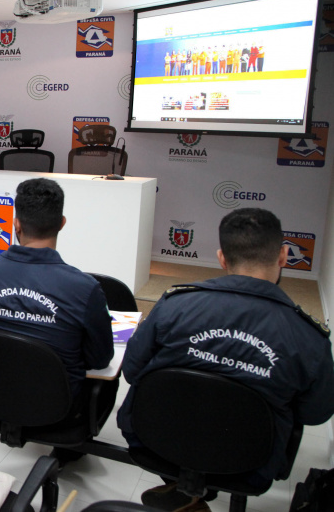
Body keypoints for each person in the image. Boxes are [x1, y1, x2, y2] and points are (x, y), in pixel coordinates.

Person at [118, 208, 334, 510]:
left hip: (155, 440)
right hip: (251, 461)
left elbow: (131, 369)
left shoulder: (173, 306)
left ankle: (185, 488)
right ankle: (192, 492)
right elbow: (315, 413)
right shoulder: (309, 337)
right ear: (284, 256)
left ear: (222, 257)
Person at [0, 178, 114, 400]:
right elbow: (100, 359)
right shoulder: (85, 289)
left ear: (16, 224)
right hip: (58, 406)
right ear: (62, 223)